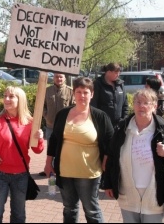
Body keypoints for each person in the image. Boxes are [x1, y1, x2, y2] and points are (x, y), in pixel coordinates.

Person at [104, 88, 164, 223]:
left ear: (154, 106)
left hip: (154, 196)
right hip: (128, 195)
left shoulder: (163, 128)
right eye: (137, 102)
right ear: (133, 105)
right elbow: (112, 157)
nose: (141, 106)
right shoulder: (122, 128)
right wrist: (108, 184)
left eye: (146, 103)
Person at [44, 77, 114, 223]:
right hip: (65, 171)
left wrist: (106, 161)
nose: (82, 95)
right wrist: (48, 162)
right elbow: (55, 140)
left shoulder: (100, 116)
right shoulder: (63, 114)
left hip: (89, 173)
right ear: (73, 94)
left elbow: (110, 142)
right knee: (69, 208)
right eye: (78, 92)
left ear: (92, 94)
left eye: (86, 92)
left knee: (91, 210)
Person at [0, 86, 44, 223]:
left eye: (11, 96)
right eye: (5, 95)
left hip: (21, 175)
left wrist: (40, 138)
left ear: (21, 100)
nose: (6, 99)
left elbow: (37, 150)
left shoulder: (30, 123)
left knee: (18, 215)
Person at [39, 72, 74, 176]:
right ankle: (50, 168)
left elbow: (74, 107)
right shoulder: (47, 91)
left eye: (61, 77)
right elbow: (42, 105)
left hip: (65, 126)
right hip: (50, 125)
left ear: (64, 78)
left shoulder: (70, 91)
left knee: (64, 148)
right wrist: (46, 116)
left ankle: (62, 170)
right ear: (53, 78)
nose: (58, 79)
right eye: (56, 77)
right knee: (51, 148)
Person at [90, 62, 128, 128]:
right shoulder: (98, 84)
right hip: (103, 124)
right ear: (109, 72)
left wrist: (124, 119)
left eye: (119, 73)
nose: (118, 75)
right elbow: (93, 104)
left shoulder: (120, 84)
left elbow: (125, 103)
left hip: (119, 124)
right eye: (116, 73)